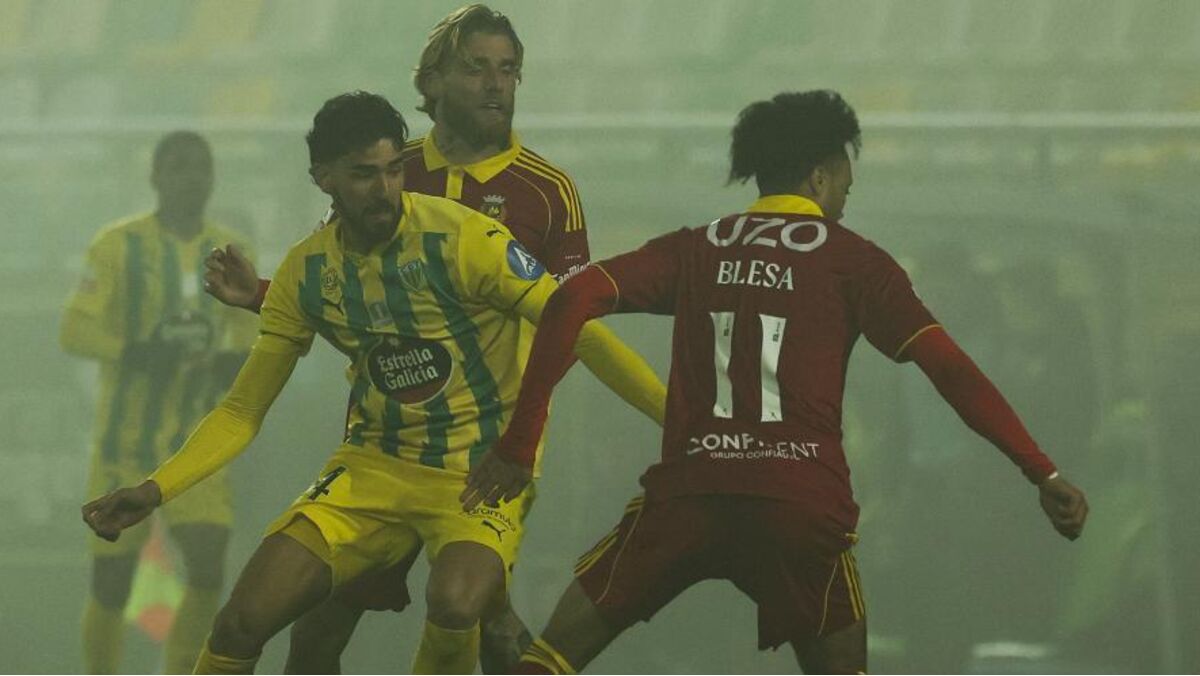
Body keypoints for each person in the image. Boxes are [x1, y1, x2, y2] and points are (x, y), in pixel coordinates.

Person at [461, 90, 1090, 674]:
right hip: (797, 505)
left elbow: (572, 298)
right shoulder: (855, 261)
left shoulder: (696, 248)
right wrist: (1041, 470)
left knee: (549, 660)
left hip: (690, 495)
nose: (845, 197)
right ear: (819, 176)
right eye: (844, 182)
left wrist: (520, 443)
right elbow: (950, 369)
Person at [82, 90, 664, 675]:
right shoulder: (307, 270)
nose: (384, 189)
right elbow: (241, 411)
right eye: (363, 175)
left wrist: (677, 419)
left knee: (457, 603)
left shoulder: (465, 237)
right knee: (240, 623)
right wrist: (156, 490)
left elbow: (578, 329)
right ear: (324, 178)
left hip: (474, 471)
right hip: (371, 470)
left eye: (392, 170)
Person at [204, 7, 587, 670]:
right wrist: (266, 294)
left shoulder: (548, 191)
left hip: (483, 458)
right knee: (318, 631)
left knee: (481, 620)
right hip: (384, 450)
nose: (495, 84)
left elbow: (573, 327)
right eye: (477, 68)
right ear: (432, 81)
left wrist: (516, 430)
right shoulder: (385, 165)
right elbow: (342, 286)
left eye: (507, 70)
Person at [61, 131, 256, 673]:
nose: (192, 178)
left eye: (201, 168)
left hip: (195, 447)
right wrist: (134, 351)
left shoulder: (230, 251)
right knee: (112, 583)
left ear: (213, 178)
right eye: (180, 168)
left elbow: (248, 336)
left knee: (208, 566)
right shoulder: (116, 246)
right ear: (156, 177)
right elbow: (74, 330)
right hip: (124, 443)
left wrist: (232, 361)